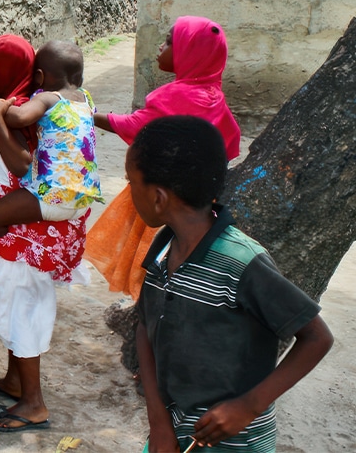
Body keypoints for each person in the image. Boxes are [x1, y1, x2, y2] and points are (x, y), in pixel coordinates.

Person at [130, 116, 332, 452]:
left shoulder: (242, 262)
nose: (129, 189)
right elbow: (144, 325)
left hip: (236, 441)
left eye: (131, 181)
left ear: (159, 198)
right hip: (170, 432)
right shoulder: (163, 247)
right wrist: (159, 423)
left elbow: (317, 337)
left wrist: (248, 407)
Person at [0, 35, 90, 434]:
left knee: (25, 303)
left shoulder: (22, 112)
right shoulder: (25, 106)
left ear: (5, 74)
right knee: (17, 297)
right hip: (20, 225)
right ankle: (16, 380)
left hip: (30, 232)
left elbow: (20, 164)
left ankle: (34, 403)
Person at [88, 15, 242, 301]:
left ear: (190, 52)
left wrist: (87, 115)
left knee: (146, 255)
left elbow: (135, 125)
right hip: (196, 202)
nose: (161, 47)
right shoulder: (215, 99)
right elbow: (230, 144)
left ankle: (146, 300)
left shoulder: (173, 96)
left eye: (170, 41)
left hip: (161, 196)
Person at [0, 41, 101, 232]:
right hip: (84, 198)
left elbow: (20, 117)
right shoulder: (86, 99)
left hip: (53, 195)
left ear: (39, 76)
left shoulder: (47, 98)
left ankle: (3, 253)